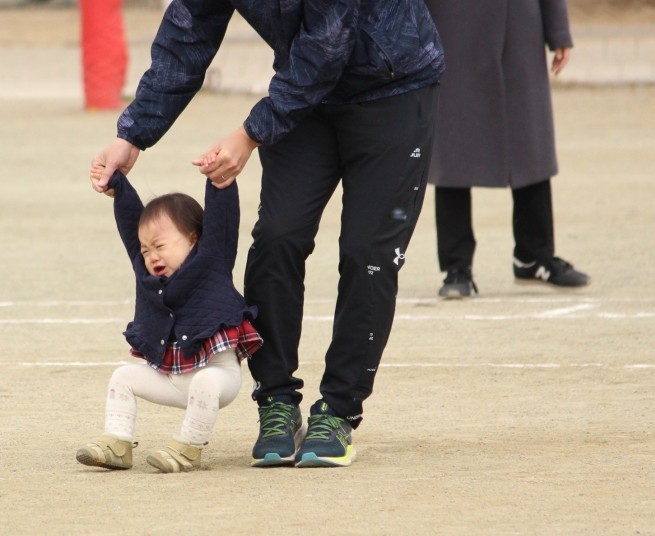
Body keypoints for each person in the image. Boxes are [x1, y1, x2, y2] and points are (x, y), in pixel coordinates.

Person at [90, 0, 445, 468]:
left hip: (395, 87)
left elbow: (328, 42)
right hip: (304, 96)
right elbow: (188, 34)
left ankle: (338, 410)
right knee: (278, 238)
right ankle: (276, 401)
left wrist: (251, 133)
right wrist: (132, 134)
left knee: (367, 254)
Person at [76, 172, 262, 474]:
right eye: (146, 250)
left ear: (193, 239)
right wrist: (119, 186)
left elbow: (222, 220)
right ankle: (117, 444)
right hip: (172, 380)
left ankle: (189, 449)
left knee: (205, 381)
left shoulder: (212, 259)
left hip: (218, 378)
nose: (151, 256)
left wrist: (219, 178)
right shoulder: (149, 277)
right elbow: (129, 227)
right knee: (123, 376)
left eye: (160, 246)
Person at [425, 0, 590, 298]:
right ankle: (456, 267)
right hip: (451, 23)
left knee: (529, 142)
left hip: (519, 26)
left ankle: (533, 257)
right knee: (453, 147)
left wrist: (558, 30)